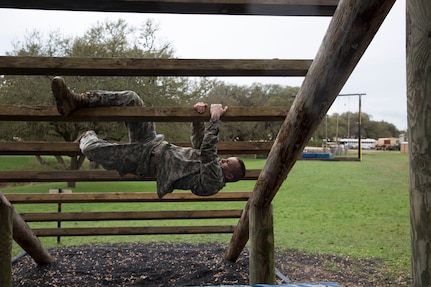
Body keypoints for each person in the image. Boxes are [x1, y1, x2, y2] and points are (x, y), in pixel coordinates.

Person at [51, 77, 246, 198]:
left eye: (227, 162)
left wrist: (214, 118)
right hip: (152, 142)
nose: (223, 159)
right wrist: (197, 117)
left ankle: (87, 135)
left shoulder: (213, 183)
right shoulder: (209, 165)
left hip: (143, 160)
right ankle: (78, 100)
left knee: (90, 149)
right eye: (226, 158)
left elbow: (208, 154)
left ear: (229, 175)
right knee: (131, 98)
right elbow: (201, 146)